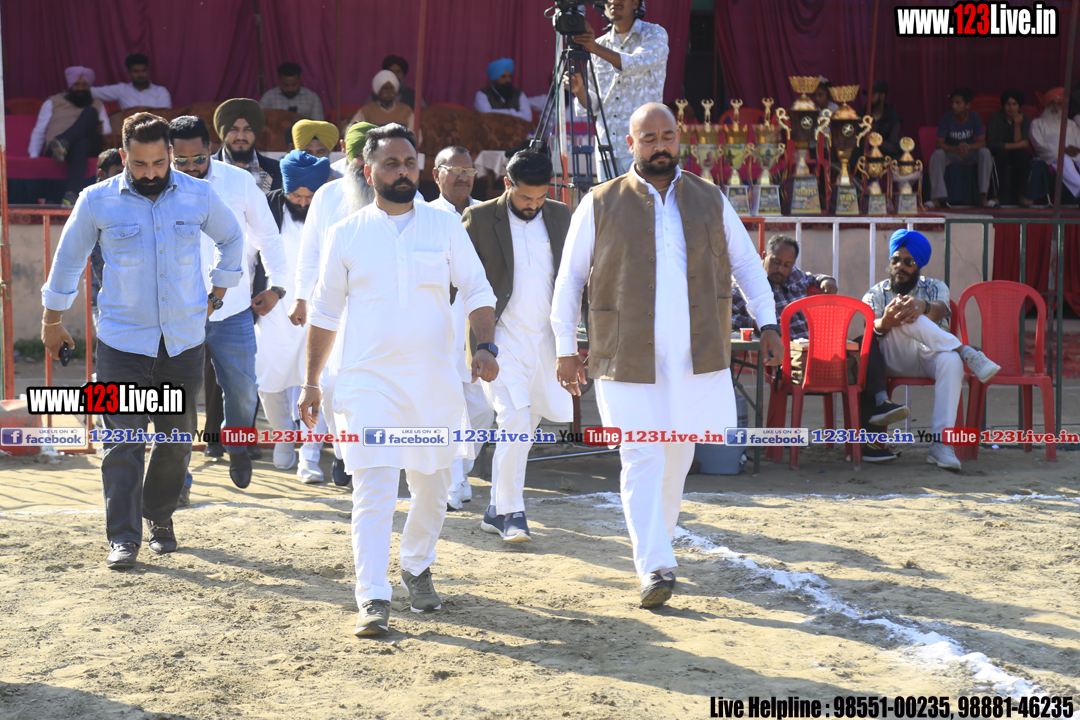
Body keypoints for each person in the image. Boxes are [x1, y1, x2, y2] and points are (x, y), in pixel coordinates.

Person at [552, 103, 783, 608]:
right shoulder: (599, 202)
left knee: (678, 456)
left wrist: (768, 323)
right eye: (649, 138)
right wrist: (565, 348)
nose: (660, 146)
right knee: (642, 455)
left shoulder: (710, 197)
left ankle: (660, 545)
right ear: (630, 143)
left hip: (694, 356)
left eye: (668, 136)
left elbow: (747, 265)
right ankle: (655, 566)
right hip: (624, 355)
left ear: (679, 138)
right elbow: (570, 280)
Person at [298, 124, 499, 637]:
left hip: (433, 382)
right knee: (375, 488)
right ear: (369, 172)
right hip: (368, 382)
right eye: (390, 163)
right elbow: (324, 312)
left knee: (433, 487)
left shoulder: (444, 225)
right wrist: (311, 382)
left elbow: (478, 289)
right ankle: (372, 595)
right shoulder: (347, 233)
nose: (403, 171)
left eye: (409, 162)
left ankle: (416, 564)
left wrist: (485, 346)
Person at [41, 112, 243, 569]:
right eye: (139, 164)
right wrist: (52, 321)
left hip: (183, 343)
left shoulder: (198, 194)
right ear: (124, 155)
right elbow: (68, 259)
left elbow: (232, 239)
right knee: (122, 442)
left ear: (170, 154)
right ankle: (123, 536)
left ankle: (159, 516)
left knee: (176, 442)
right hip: (122, 344)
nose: (150, 173)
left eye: (158, 163)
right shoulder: (96, 200)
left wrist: (218, 292)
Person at [169, 115, 289, 492]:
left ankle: (236, 445)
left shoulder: (238, 182)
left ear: (210, 148)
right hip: (178, 313)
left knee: (243, 392)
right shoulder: (159, 185)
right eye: (181, 161)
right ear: (170, 155)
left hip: (233, 308)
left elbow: (268, 236)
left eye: (198, 158)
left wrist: (278, 286)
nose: (191, 167)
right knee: (178, 399)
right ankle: (177, 478)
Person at [465, 151, 572, 541]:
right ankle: (512, 512)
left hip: (546, 341)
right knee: (513, 420)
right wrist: (478, 344)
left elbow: (575, 276)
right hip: (499, 339)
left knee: (527, 423)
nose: (534, 205)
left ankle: (496, 509)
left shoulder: (560, 215)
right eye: (527, 197)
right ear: (508, 184)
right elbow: (459, 281)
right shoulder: (479, 219)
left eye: (541, 197)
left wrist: (574, 342)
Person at [732, 234, 908, 462]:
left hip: (823, 352)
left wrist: (827, 280)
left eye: (787, 264)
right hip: (790, 360)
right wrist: (762, 325)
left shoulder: (795, 276)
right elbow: (729, 319)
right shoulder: (746, 286)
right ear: (764, 256)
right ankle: (867, 441)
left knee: (866, 345)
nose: (781, 269)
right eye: (775, 262)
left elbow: (812, 277)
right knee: (856, 373)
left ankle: (881, 403)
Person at [863, 229, 1002, 472]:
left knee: (951, 360)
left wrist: (923, 306)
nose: (900, 266)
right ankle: (965, 351)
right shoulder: (876, 292)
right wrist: (886, 321)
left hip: (931, 355)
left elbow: (941, 309)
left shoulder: (935, 286)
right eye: (896, 260)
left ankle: (941, 445)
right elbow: (867, 331)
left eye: (908, 262)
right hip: (895, 357)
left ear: (919, 265)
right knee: (905, 312)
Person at [292, 122, 382, 489]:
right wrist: (300, 296)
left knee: (369, 386)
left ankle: (354, 456)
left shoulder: (402, 196)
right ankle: (315, 454)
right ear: (346, 151)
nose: (362, 162)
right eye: (358, 155)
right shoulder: (327, 195)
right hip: (331, 308)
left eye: (369, 156)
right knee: (326, 386)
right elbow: (309, 251)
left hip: (377, 309)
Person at [255, 150, 333, 484]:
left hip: (323, 308)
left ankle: (309, 455)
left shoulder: (330, 211)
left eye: (308, 197)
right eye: (295, 196)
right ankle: (284, 436)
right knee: (268, 378)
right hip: (275, 309)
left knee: (319, 381)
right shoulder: (267, 207)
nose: (301, 202)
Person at [429, 145, 494, 510]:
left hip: (476, 326)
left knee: (483, 407)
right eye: (454, 170)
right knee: (446, 404)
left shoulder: (486, 214)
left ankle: (461, 469)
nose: (463, 177)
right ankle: (454, 479)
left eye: (468, 170)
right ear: (436, 174)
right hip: (438, 326)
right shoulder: (424, 217)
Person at [566, 0, 669, 179]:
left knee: (643, 198)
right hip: (607, 147)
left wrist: (594, 48)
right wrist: (579, 89)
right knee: (608, 199)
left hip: (645, 146)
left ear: (635, 3)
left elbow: (635, 63)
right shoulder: (599, 45)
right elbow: (594, 105)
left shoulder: (654, 34)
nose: (613, 1)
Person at [28, 66, 111, 206]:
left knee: (90, 114)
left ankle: (64, 143)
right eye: (77, 84)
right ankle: (71, 195)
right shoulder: (52, 102)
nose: (81, 88)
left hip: (88, 148)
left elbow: (107, 131)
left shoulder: (97, 104)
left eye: (84, 85)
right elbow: (39, 130)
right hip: (55, 151)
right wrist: (34, 157)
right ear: (70, 85)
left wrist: (97, 127)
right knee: (82, 142)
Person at [929, 87, 994, 208]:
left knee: (985, 152)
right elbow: (938, 144)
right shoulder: (946, 117)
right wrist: (955, 149)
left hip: (969, 152)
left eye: (958, 103)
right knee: (937, 154)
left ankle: (983, 195)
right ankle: (936, 198)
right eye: (952, 102)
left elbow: (982, 142)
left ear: (967, 105)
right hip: (952, 153)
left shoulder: (974, 117)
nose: (954, 106)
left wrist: (968, 146)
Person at [213, 98, 282, 195]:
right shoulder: (207, 169)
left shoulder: (277, 170)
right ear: (223, 134)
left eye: (248, 130)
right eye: (233, 130)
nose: (241, 137)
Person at [1030, 87, 1080, 200]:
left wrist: (1077, 149)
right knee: (1064, 159)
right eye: (1052, 103)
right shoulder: (1037, 123)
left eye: (1058, 104)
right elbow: (1038, 144)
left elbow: (1079, 139)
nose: (1055, 107)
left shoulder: (1071, 124)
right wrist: (1061, 150)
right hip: (1052, 154)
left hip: (1074, 152)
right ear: (1047, 105)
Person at [986, 89, 1033, 207]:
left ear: (1019, 106)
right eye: (1008, 104)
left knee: (1024, 156)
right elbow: (991, 143)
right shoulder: (995, 117)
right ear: (1003, 105)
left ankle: (1021, 196)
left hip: (1014, 153)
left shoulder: (1025, 118)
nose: (1011, 108)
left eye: (1014, 104)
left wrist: (1017, 125)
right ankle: (995, 197)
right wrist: (1017, 145)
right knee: (1000, 155)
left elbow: (1020, 142)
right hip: (998, 151)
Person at [91, 53, 172, 110]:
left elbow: (164, 115)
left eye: (143, 71)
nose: (140, 74)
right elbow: (92, 92)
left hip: (156, 128)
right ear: (129, 74)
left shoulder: (160, 91)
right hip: (130, 129)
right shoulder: (122, 89)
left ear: (147, 72)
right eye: (136, 71)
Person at [345, 71, 414, 132]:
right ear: (378, 91)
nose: (389, 92)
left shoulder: (406, 110)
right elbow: (351, 130)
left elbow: (415, 134)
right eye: (385, 88)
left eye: (392, 88)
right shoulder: (366, 111)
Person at [260, 62, 324, 121]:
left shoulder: (312, 98)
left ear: (300, 80)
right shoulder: (269, 97)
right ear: (280, 80)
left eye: (294, 85)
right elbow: (259, 121)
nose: (290, 89)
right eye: (286, 85)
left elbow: (318, 123)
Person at [860, 80, 902, 160]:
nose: (869, 98)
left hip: (885, 161)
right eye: (867, 95)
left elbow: (894, 147)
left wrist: (876, 140)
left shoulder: (892, 117)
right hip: (863, 161)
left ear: (882, 96)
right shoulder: (860, 115)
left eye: (873, 94)